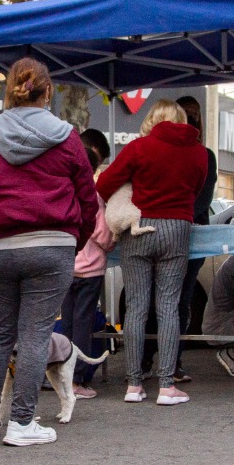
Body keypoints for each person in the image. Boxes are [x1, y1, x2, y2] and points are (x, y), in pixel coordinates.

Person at [0, 59, 98, 445]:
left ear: (9, 92)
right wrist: (75, 240)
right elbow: (88, 200)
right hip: (52, 247)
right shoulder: (69, 138)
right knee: (36, 334)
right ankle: (22, 424)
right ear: (48, 92)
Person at [94, 98, 208, 405]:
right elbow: (196, 190)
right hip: (177, 228)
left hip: (138, 227)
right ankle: (167, 386)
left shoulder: (138, 148)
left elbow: (103, 184)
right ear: (182, 119)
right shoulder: (199, 152)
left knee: (136, 306)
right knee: (169, 307)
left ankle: (134, 385)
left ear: (152, 119)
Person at [58, 129, 113, 398]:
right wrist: (112, 241)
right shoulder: (91, 191)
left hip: (65, 266)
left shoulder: (61, 185)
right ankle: (76, 380)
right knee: (83, 325)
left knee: (67, 324)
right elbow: (101, 232)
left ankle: (64, 376)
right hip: (90, 269)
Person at [173, 96, 218, 383]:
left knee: (180, 299)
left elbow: (204, 198)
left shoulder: (206, 155)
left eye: (197, 115)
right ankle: (153, 359)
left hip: (189, 234)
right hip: (178, 230)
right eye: (188, 115)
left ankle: (171, 360)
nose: (194, 120)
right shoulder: (171, 152)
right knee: (165, 300)